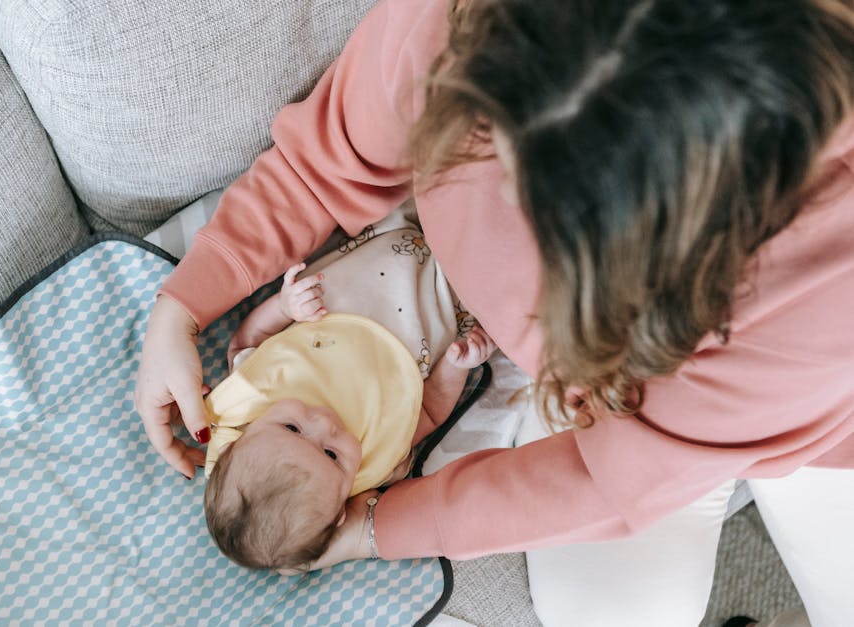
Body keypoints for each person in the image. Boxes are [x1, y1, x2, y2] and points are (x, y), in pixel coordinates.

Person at [135, 0, 854, 625]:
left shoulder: (816, 279)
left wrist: (381, 525)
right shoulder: (468, 22)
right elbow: (325, 164)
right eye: (489, 140)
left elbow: (614, 480)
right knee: (617, 612)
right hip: (616, 402)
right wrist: (184, 304)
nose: (501, 205)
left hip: (818, 419)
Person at [201, 219, 496, 571]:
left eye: (292, 428)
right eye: (331, 454)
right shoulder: (376, 462)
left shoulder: (248, 397)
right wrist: (458, 365)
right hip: (441, 298)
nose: (325, 424)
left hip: (371, 260)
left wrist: (284, 309)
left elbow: (245, 342)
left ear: (243, 434)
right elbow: (429, 411)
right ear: (343, 510)